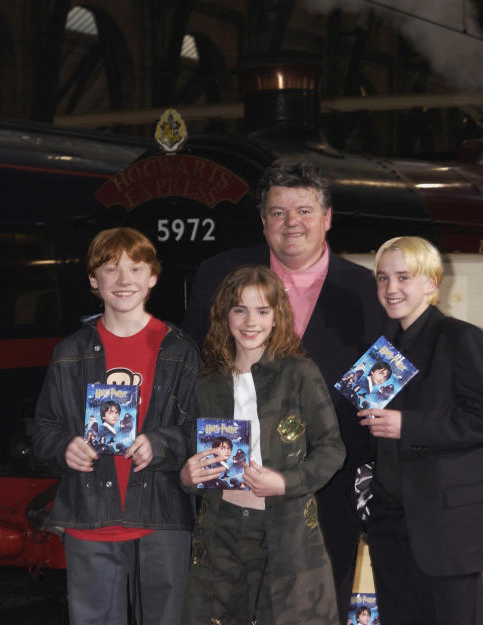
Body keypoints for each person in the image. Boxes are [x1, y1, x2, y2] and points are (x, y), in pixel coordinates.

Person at [182, 160, 383, 616]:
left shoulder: (366, 291)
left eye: (304, 211)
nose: (291, 222)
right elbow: (191, 368)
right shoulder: (219, 275)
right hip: (230, 492)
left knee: (312, 606)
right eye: (278, 212)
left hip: (329, 485)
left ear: (327, 218)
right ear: (263, 221)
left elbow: (381, 387)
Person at [32, 227, 201, 625]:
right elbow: (43, 429)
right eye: (111, 269)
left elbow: (203, 430)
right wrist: (63, 446)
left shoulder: (180, 350)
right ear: (94, 281)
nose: (124, 280)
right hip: (90, 518)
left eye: (136, 268)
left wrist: (161, 443)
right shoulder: (69, 353)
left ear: (153, 277)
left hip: (161, 518)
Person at [179, 264, 345, 625]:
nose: (250, 321)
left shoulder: (300, 373)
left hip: (286, 527)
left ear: (276, 318)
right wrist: (188, 476)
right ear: (225, 315)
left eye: (262, 310)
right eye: (239, 309)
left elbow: (332, 448)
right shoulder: (207, 382)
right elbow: (192, 456)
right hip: (221, 528)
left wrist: (285, 482)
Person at [357, 236, 483, 625]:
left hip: (446, 526)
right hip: (390, 520)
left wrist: (408, 425)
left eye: (403, 277)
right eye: (383, 278)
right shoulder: (383, 348)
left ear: (431, 283)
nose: (391, 288)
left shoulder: (460, 338)